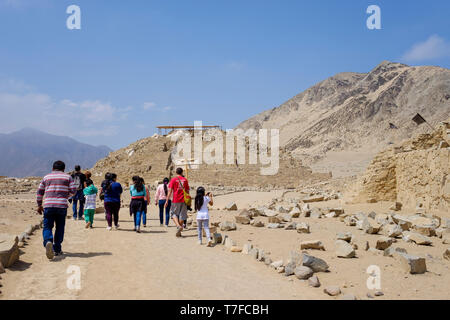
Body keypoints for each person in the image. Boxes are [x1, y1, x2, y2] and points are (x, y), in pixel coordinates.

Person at [36, 160, 76, 259]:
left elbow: (40, 192)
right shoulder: (68, 177)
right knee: (60, 227)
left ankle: (48, 241)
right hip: (62, 206)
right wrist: (66, 196)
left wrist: (39, 205)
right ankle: (57, 249)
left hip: (48, 205)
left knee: (47, 227)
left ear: (53, 168)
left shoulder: (46, 177)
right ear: (63, 169)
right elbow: (74, 191)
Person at [165, 167, 190, 237]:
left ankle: (178, 226)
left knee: (173, 213)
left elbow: (169, 191)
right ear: (182, 172)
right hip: (184, 200)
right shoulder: (185, 180)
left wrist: (166, 200)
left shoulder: (173, 180)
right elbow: (187, 191)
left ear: (176, 172)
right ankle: (179, 229)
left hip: (176, 200)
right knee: (182, 215)